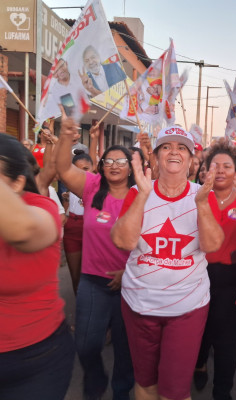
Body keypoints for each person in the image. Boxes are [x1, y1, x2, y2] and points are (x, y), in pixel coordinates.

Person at [111, 125, 224, 400]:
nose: (174, 151)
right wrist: (142, 196)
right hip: (139, 305)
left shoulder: (203, 195)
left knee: (174, 392)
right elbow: (123, 242)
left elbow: (212, 246)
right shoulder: (138, 191)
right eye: (167, 147)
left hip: (187, 307)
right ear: (157, 157)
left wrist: (202, 205)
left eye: (182, 147)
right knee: (146, 383)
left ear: (191, 160)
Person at [56, 115, 134, 400]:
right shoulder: (91, 187)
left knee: (126, 350)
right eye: (109, 161)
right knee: (86, 345)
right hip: (92, 282)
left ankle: (121, 391)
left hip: (130, 285)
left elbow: (149, 240)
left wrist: (128, 273)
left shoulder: (141, 195)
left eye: (121, 161)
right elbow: (63, 167)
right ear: (101, 167)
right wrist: (66, 137)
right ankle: (95, 378)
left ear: (130, 168)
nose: (114, 165)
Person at [0, 133, 75, 400]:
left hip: (33, 360)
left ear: (19, 182)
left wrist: (59, 143)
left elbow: (25, 230)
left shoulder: (42, 209)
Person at [194, 141, 236, 399]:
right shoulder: (194, 197)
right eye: (214, 166)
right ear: (204, 171)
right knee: (200, 329)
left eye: (228, 166)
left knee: (226, 339)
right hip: (197, 275)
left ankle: (222, 390)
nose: (221, 171)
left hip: (233, 278)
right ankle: (200, 362)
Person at [63, 152, 94, 294]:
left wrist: (94, 139)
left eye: (86, 168)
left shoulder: (98, 183)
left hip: (91, 230)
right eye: (77, 169)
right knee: (75, 277)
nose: (82, 173)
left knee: (91, 277)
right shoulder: (70, 183)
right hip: (72, 228)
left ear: (93, 168)